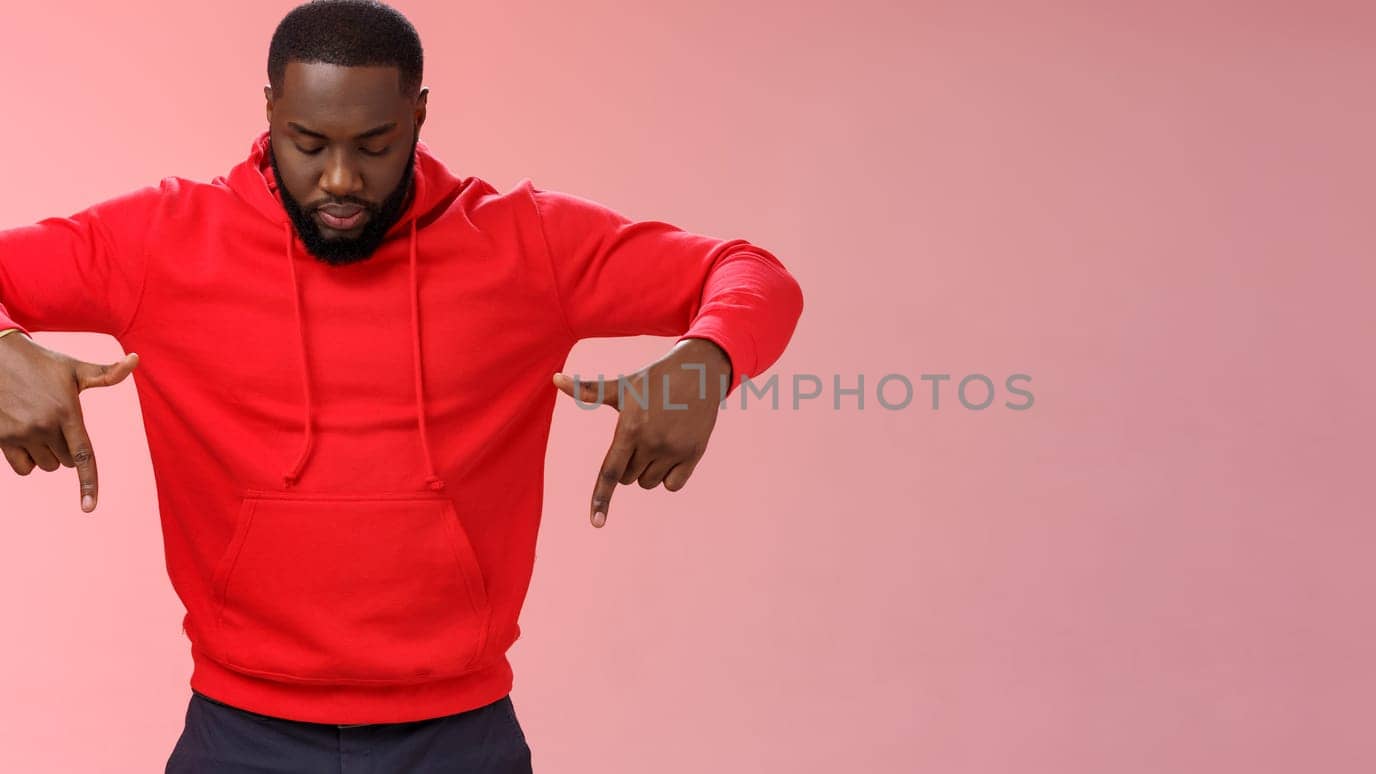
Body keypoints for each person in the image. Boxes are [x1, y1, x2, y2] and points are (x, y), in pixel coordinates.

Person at [0, 0, 804, 770]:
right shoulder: (162, 241)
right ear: (269, 111)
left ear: (419, 116)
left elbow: (751, 274)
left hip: (461, 737)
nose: (341, 178)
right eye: (308, 143)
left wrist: (707, 361)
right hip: (238, 734)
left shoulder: (525, 244)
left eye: (375, 144)